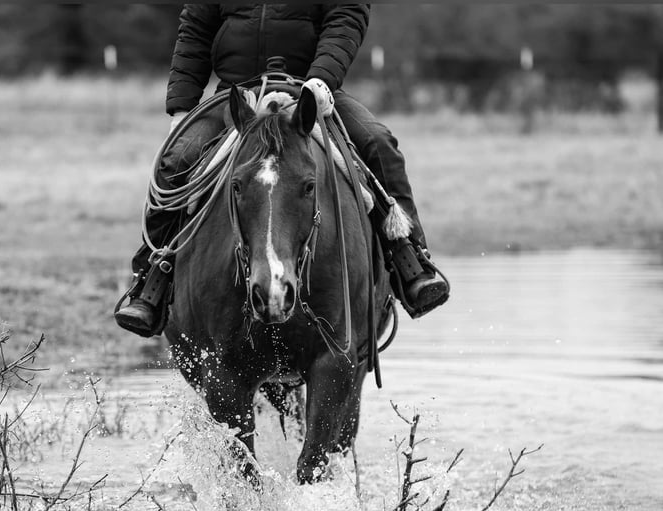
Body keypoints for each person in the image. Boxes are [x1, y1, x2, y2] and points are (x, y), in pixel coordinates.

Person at [115, 4, 449, 337]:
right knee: (175, 160)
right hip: (236, 95)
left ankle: (409, 260)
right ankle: (152, 279)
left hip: (310, 92)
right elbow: (195, 29)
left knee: (379, 144)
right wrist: (182, 106)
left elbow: (346, 16)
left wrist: (321, 80)